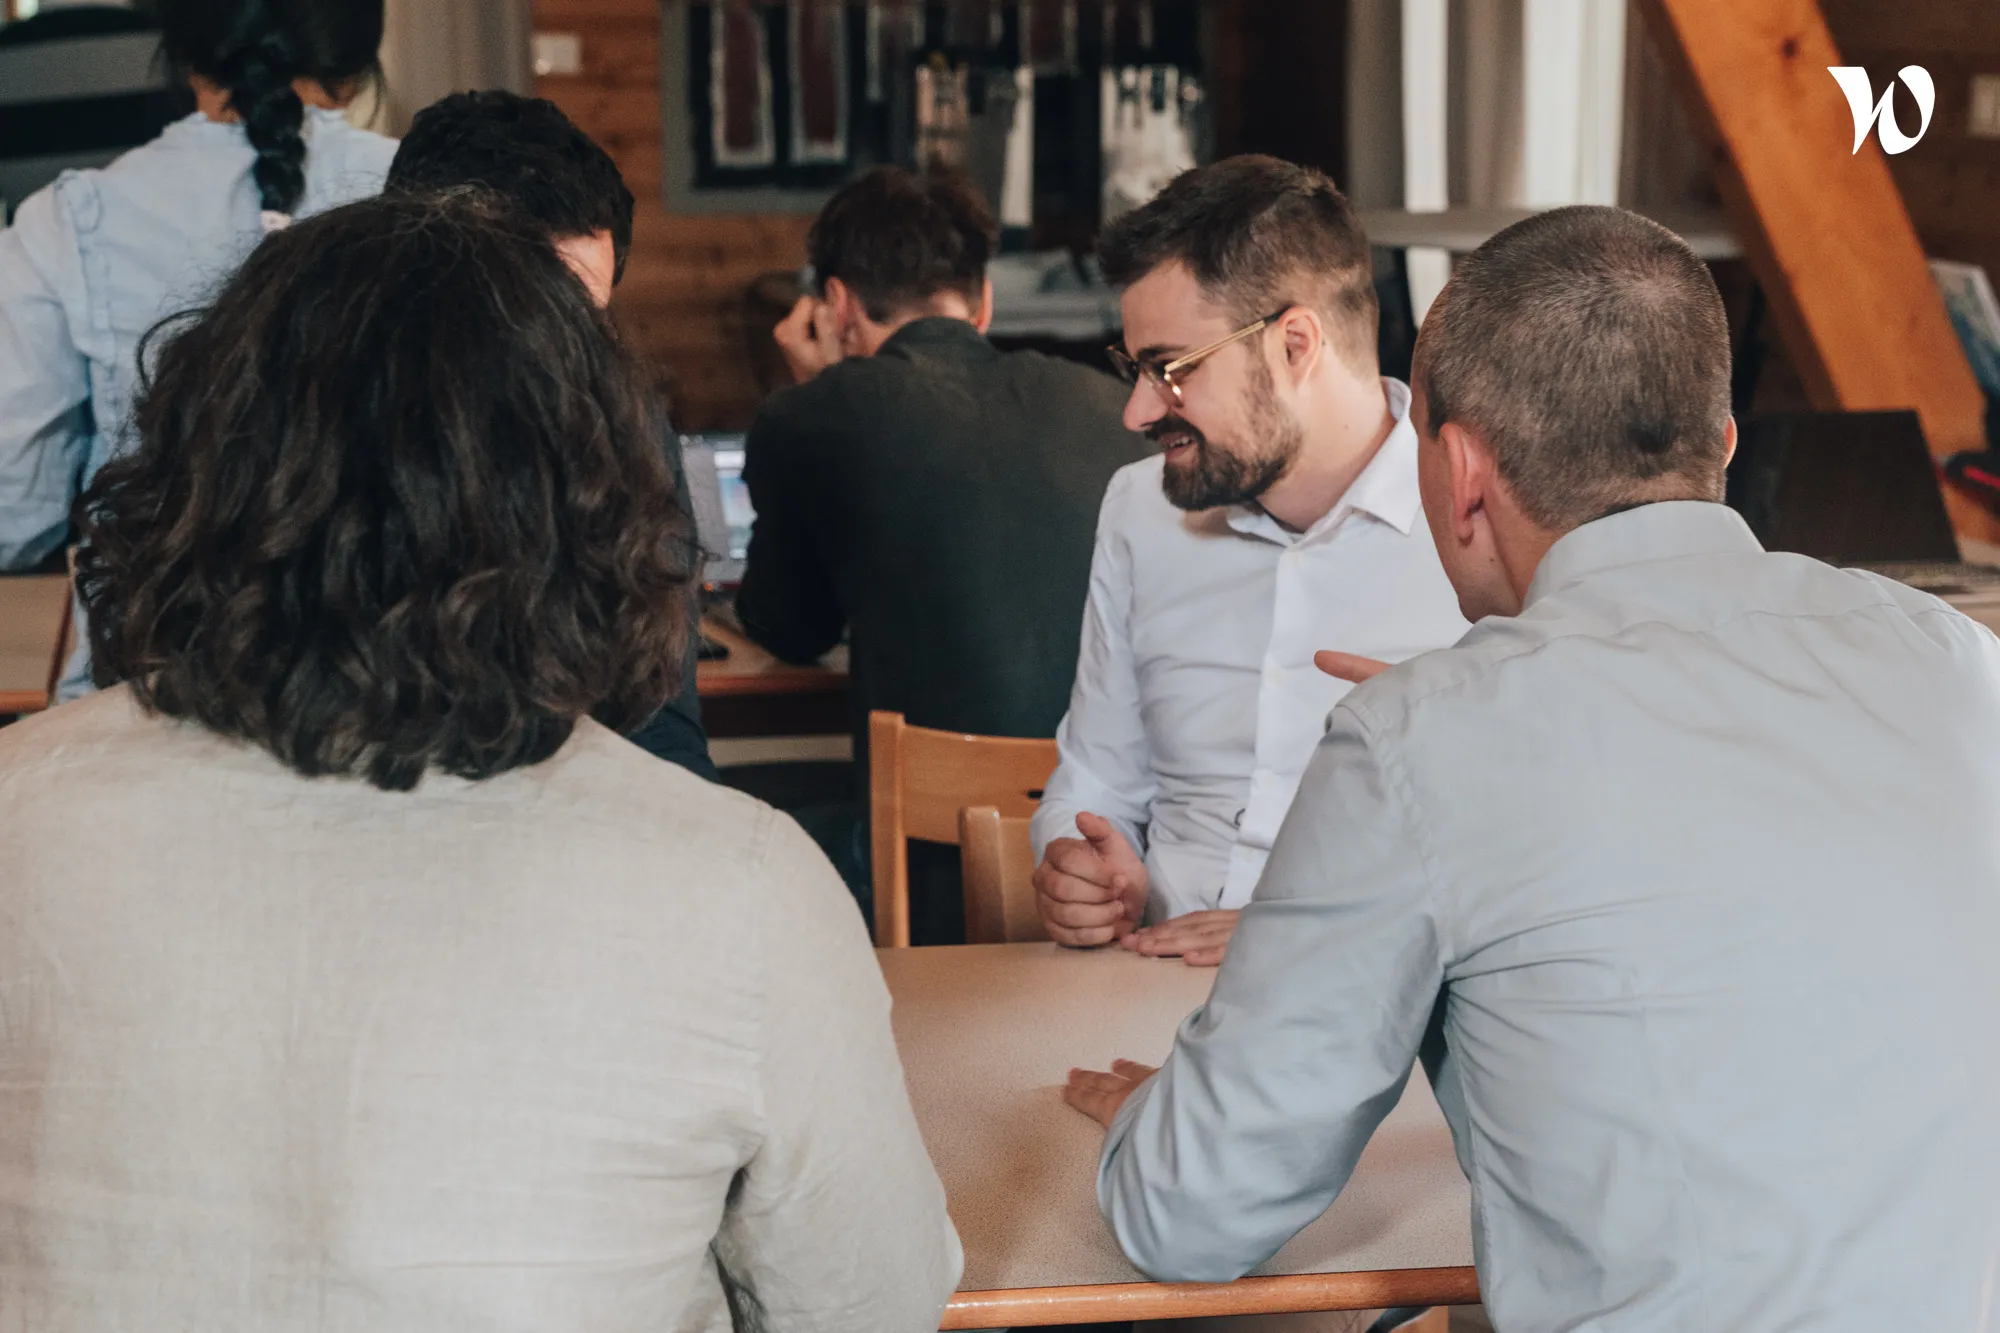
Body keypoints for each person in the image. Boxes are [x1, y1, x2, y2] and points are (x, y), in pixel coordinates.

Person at [0, 194, 961, 1330]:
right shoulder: (742, 882)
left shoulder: (24, 804)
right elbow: (870, 1301)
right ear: (588, 499)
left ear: (199, 470)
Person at [1064, 206, 2000, 1331]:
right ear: (1723, 445)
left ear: (1458, 473)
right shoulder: (1955, 658)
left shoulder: (1419, 742)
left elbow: (1183, 1213)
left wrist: (1164, 1115)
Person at [1030, 156, 1468, 964]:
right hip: (1139, 985)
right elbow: (1093, 783)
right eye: (1134, 371)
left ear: (1296, 343)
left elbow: (1531, 848)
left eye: (1169, 369)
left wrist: (1303, 931)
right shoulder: (1139, 511)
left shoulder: (1476, 526)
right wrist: (1079, 860)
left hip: (1373, 1010)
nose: (1136, 410)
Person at [737, 164, 1149, 936]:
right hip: (1106, 847)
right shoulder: (1111, 408)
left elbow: (788, 627)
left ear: (836, 306)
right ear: (983, 301)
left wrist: (812, 392)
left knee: (745, 808)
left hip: (923, 866)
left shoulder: (811, 415)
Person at [0, 0, 394, 700]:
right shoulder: (440, 200)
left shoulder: (69, 222)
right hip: (404, 691)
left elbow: (11, 513)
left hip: (149, 693)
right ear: (359, 60)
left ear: (182, 53)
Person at [384, 89, 715, 781]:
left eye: (587, 325)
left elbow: (665, 724)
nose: (568, 362)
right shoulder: (315, 426)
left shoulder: (627, 421)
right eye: (540, 320)